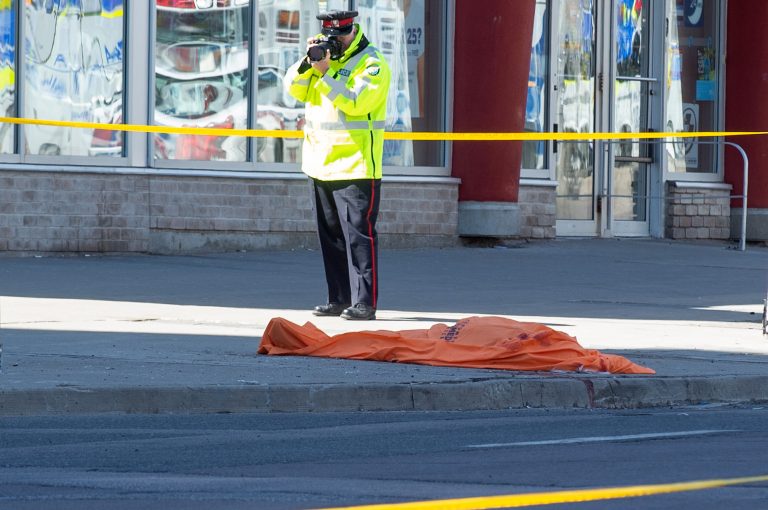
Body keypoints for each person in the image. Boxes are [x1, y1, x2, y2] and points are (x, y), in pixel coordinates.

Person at [284, 10, 391, 321]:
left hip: (356, 166)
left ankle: (365, 303)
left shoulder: (371, 63)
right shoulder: (321, 61)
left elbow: (357, 103)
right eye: (329, 37)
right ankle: (339, 298)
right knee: (329, 237)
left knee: (359, 238)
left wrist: (327, 72)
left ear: (352, 31)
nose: (334, 43)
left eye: (338, 37)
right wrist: (308, 63)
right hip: (320, 164)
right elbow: (293, 88)